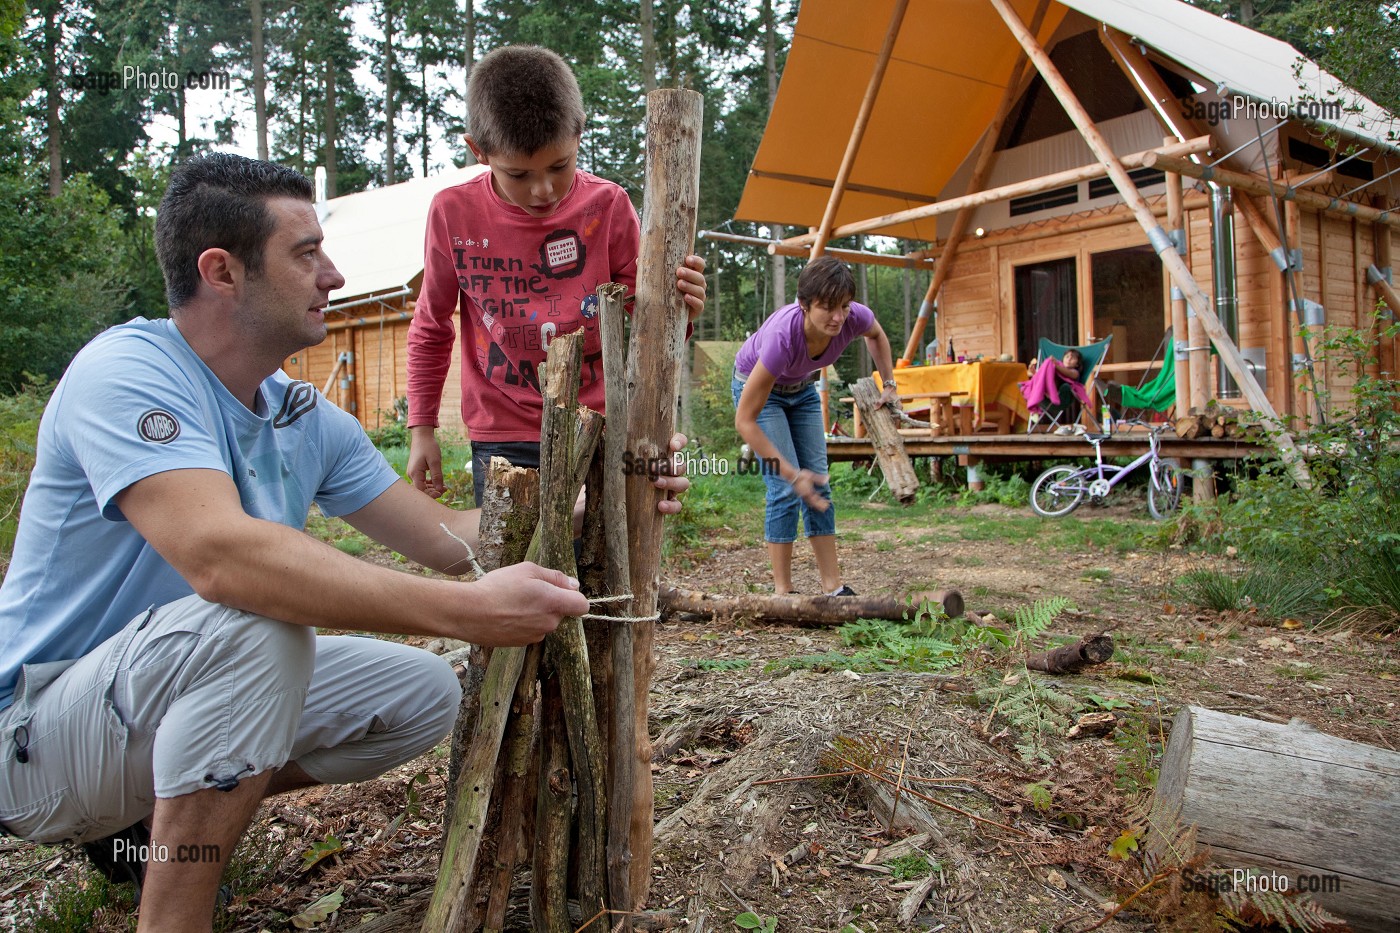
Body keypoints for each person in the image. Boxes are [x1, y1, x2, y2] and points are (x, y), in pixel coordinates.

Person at [0, 153, 689, 933]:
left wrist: (601, 501)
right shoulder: (126, 372)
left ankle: (157, 816)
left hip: (149, 703)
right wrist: (467, 613)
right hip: (34, 731)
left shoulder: (298, 413)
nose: (333, 273)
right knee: (258, 625)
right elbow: (220, 558)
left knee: (422, 696)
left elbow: (449, 539)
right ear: (223, 271)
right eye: (306, 253)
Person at [406, 45, 707, 505]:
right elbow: (430, 324)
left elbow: (646, 326)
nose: (543, 189)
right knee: (515, 568)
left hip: (601, 423)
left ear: (579, 136)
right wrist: (421, 427)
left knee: (604, 564)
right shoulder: (454, 213)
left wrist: (681, 308)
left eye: (559, 166)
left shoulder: (606, 207)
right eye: (518, 174)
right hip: (504, 433)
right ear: (478, 151)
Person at [732, 256, 898, 597]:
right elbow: (745, 421)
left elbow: (877, 335)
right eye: (827, 308)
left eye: (844, 306)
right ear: (805, 304)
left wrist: (890, 384)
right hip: (760, 391)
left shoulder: (853, 318)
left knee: (818, 484)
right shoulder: (783, 337)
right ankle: (783, 593)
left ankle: (833, 587)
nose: (838, 317)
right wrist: (792, 474)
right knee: (786, 487)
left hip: (803, 391)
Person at [1021, 348, 1087, 432]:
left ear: (1077, 364)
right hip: (1045, 398)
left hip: (1061, 398)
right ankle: (1044, 393)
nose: (1069, 359)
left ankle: (1046, 393)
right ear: (1063, 359)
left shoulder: (1075, 372)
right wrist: (1034, 373)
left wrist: (1054, 364)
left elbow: (1067, 373)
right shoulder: (1056, 368)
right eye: (1067, 356)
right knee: (1045, 370)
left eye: (1073, 358)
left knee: (1050, 365)